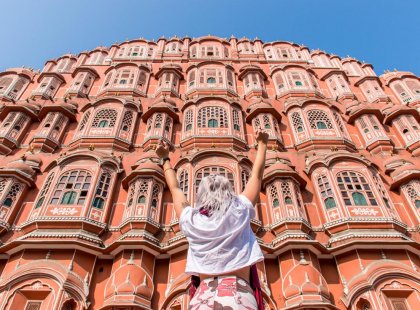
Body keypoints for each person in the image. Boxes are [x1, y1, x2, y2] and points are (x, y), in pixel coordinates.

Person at [156, 130, 269, 309]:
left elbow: (175, 188)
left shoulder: (191, 220)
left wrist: (165, 159)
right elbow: (256, 176)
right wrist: (262, 144)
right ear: (229, 191)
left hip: (203, 297)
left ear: (201, 195)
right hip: (238, 295)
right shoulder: (240, 209)